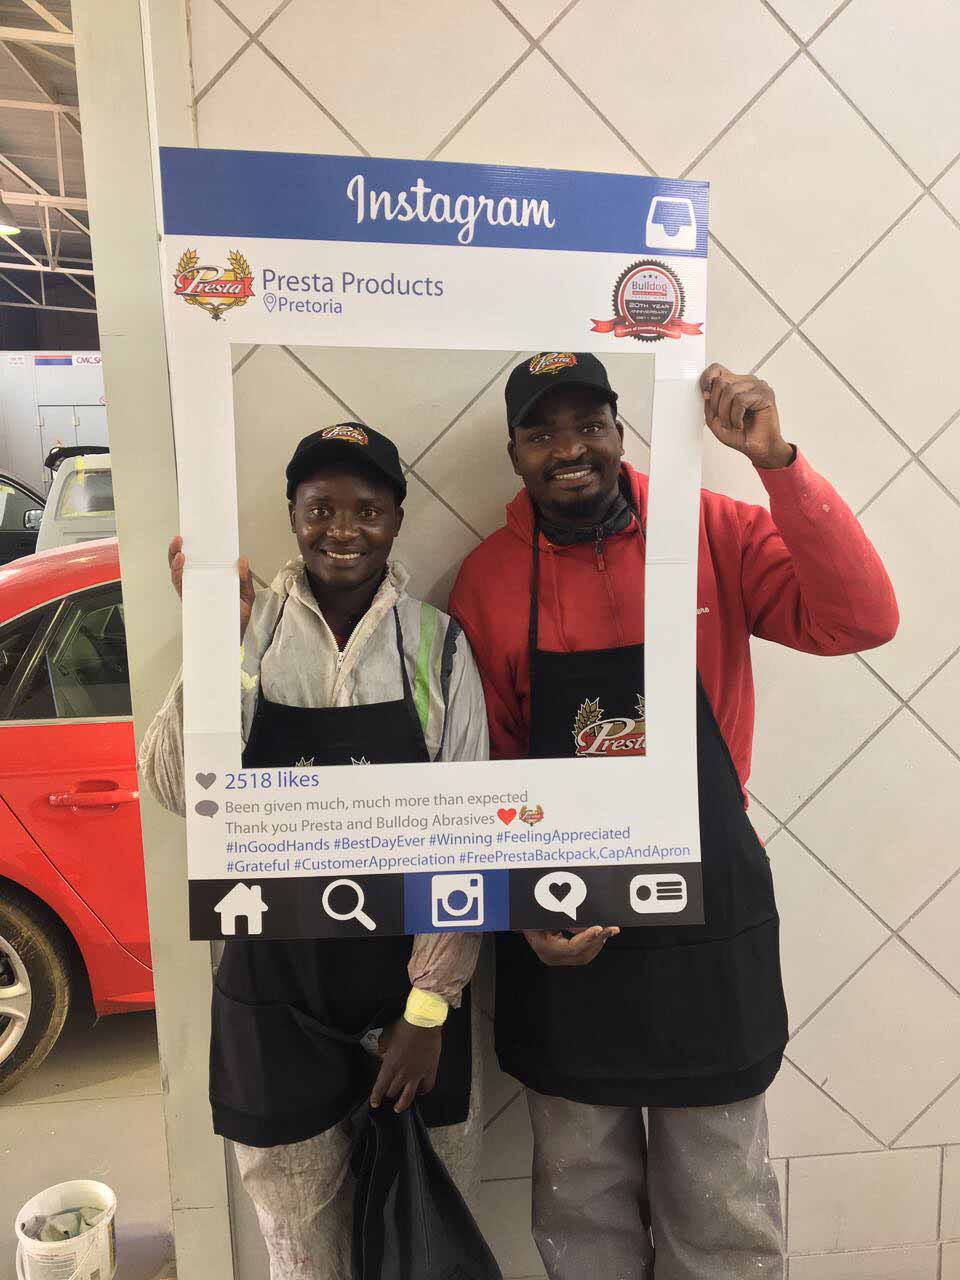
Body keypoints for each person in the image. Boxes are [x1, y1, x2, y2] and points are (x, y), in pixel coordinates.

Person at [449, 353, 898, 1279]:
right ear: (514, 453)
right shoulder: (487, 579)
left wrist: (778, 464)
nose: (568, 449)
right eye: (541, 433)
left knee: (723, 1208)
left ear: (621, 433)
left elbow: (861, 620)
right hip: (566, 932)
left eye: (589, 425)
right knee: (582, 1210)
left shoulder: (713, 529)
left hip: (709, 921)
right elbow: (487, 770)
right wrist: (525, 906)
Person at [140, 422, 489, 1280]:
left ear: (397, 519)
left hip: (407, 1008)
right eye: (321, 507)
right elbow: (177, 787)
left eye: (367, 509)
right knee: (303, 1259)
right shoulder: (249, 629)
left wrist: (427, 1011)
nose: (343, 529)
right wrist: (215, 638)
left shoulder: (438, 647)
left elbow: (469, 838)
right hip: (274, 1007)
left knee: (421, 1252)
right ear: (291, 514)